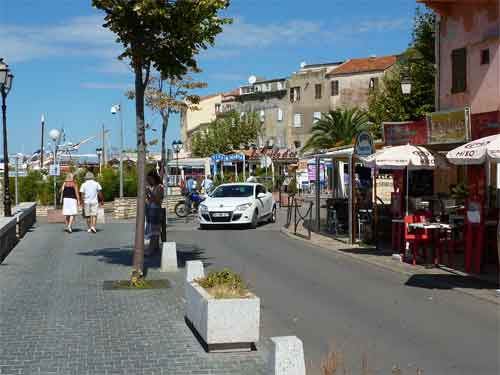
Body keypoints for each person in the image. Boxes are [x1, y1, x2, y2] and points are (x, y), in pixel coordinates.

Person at [145, 170, 164, 255]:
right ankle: (155, 248)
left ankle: (151, 249)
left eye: (150, 179)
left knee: (154, 231)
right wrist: (147, 195)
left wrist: (150, 192)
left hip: (156, 210)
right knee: (154, 230)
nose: (149, 181)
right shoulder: (153, 187)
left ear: (154, 178)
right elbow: (151, 200)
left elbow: (157, 200)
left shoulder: (159, 187)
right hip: (152, 209)